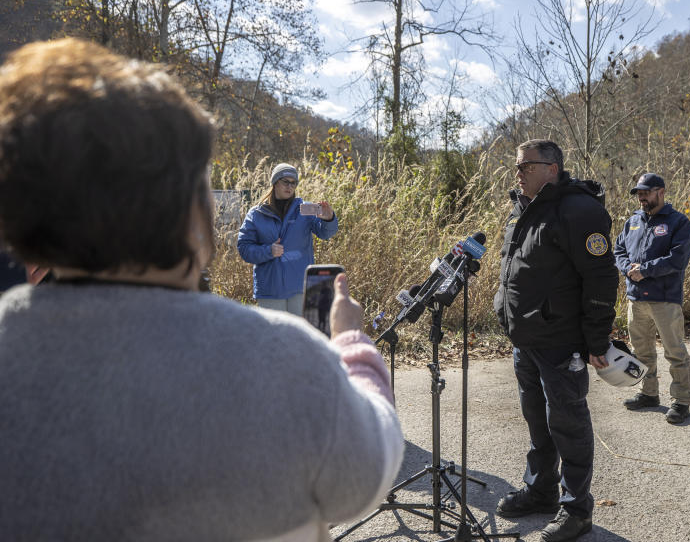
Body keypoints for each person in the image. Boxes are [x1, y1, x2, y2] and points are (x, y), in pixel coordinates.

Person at [0, 38, 403, 541]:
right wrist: (353, 346)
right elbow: (364, 477)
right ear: (193, 212)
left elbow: (328, 234)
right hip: (274, 295)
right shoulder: (285, 357)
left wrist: (327, 216)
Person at [493, 139, 618, 542]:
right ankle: (541, 489)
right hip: (526, 338)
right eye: (516, 166)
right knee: (537, 420)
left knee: (568, 422)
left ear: (551, 168)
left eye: (524, 166)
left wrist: (597, 340)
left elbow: (600, 278)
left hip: (560, 340)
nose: (517, 173)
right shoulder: (523, 208)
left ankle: (577, 510)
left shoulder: (579, 210)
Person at [613, 173, 690, 424]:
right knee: (641, 350)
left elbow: (677, 259)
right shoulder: (632, 222)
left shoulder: (678, 222)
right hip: (636, 299)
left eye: (646, 192)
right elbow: (619, 250)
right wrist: (628, 267)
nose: (641, 197)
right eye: (639, 193)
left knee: (674, 352)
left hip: (665, 299)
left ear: (661, 192)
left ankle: (681, 401)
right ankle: (648, 394)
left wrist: (645, 270)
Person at [237, 163, 338, 315]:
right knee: (273, 337)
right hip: (271, 289)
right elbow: (244, 248)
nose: (290, 186)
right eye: (285, 181)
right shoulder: (256, 213)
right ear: (275, 183)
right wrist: (268, 251)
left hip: (300, 287)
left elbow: (325, 234)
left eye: (293, 183)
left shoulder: (305, 210)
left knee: (300, 336)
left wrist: (329, 219)